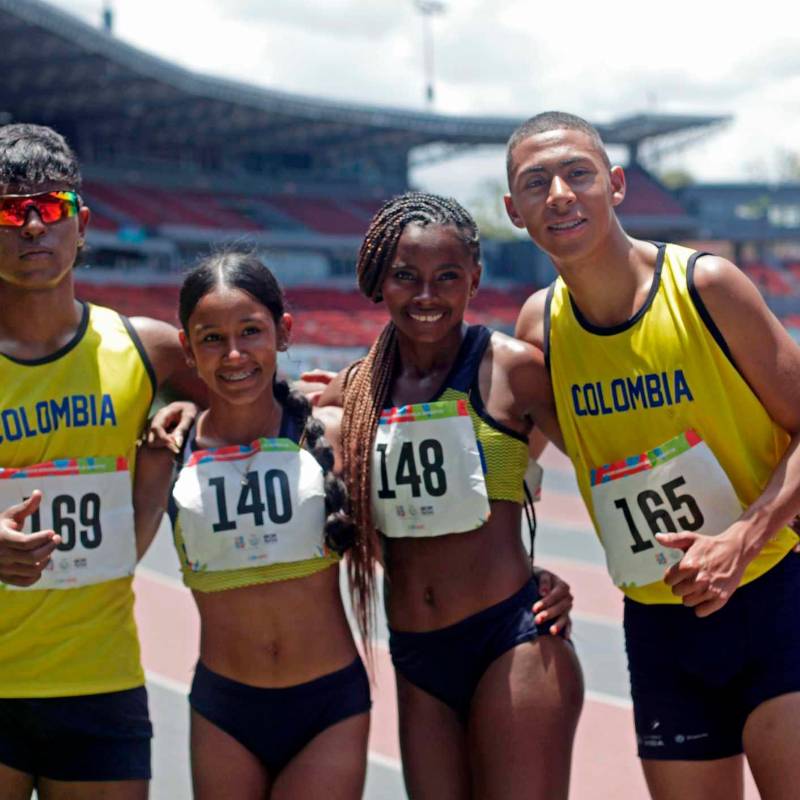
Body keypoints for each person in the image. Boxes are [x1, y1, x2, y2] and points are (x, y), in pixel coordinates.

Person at [505, 111, 800, 800]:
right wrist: (522, 574)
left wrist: (744, 536)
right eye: (535, 182)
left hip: (774, 600)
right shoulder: (538, 327)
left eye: (578, 174)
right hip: (659, 622)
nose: (559, 194)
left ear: (615, 185)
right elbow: (500, 467)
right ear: (514, 212)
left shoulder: (706, 288)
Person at [319, 192, 583, 800]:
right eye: (405, 277)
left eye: (447, 277)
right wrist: (175, 412)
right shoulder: (357, 392)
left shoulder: (513, 369)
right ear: (379, 282)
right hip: (416, 655)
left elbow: (607, 462)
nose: (426, 296)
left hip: (511, 640)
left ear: (475, 279)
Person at [0, 124, 197, 799]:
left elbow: (252, 397)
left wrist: (189, 416)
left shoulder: (149, 352)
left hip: (99, 686)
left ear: (80, 225)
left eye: (49, 209)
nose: (31, 226)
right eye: (9, 209)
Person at [133, 251, 371, 799]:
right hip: (224, 711)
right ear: (187, 349)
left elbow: (413, 542)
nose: (234, 353)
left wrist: (530, 578)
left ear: (283, 332)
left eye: (251, 332)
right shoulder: (167, 450)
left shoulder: (331, 434)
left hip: (328, 706)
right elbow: (117, 559)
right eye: (211, 339)